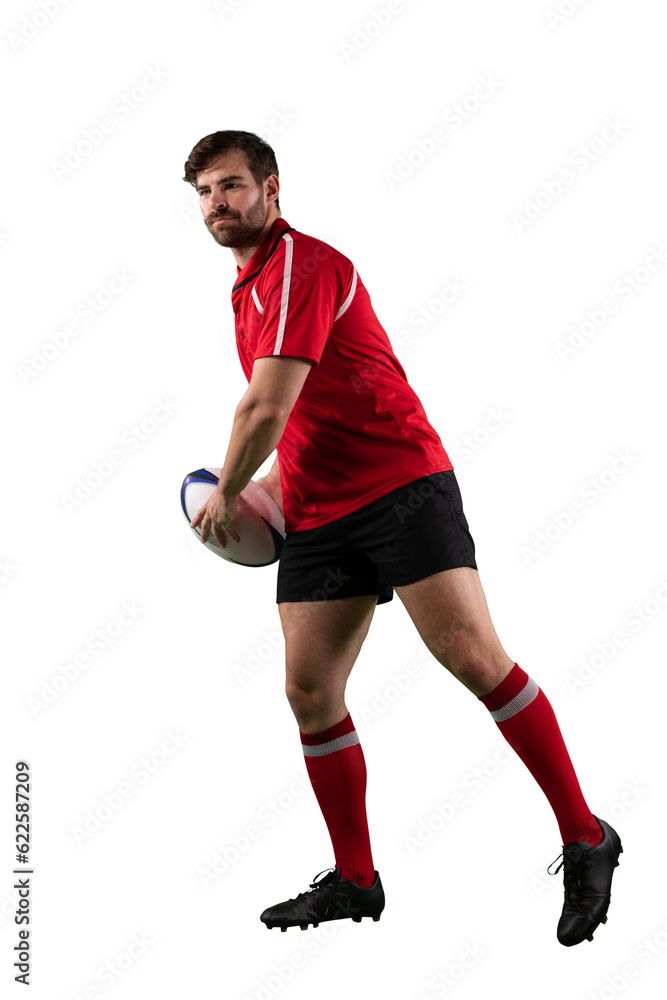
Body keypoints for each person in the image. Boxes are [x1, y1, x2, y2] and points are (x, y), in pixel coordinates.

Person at [183, 130, 622, 946]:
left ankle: (586, 835)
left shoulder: (303, 266)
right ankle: (356, 879)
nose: (217, 203)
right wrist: (272, 491)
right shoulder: (244, 290)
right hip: (317, 506)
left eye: (231, 186)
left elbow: (263, 409)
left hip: (399, 486)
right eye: (204, 192)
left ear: (272, 188)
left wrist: (227, 490)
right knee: (308, 693)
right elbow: (302, 413)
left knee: (472, 658)